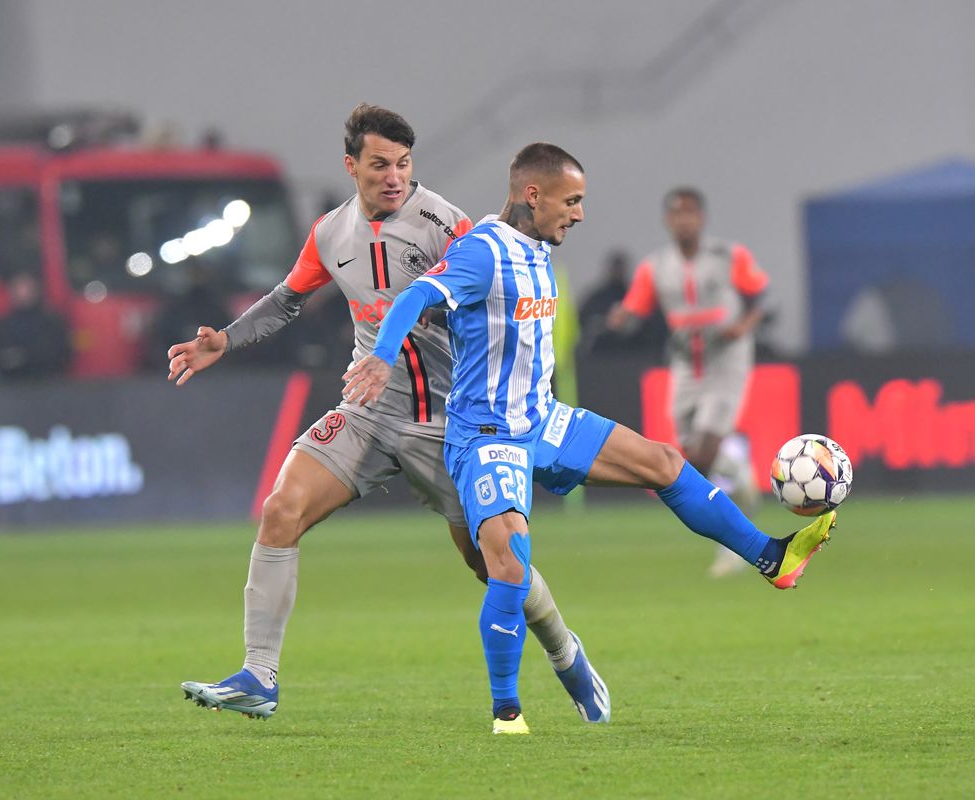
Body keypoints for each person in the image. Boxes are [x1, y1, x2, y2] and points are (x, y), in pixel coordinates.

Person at [344, 143, 837, 735]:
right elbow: (418, 295)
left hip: (544, 419)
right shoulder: (484, 250)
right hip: (487, 434)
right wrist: (380, 355)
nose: (579, 215)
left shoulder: (539, 250)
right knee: (510, 564)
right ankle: (510, 710)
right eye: (571, 201)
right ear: (534, 194)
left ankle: (770, 558)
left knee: (664, 461)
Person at [167, 105, 606, 724]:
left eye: (403, 163)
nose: (394, 176)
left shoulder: (447, 226)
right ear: (351, 166)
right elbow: (287, 300)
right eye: (380, 164)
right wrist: (226, 341)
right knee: (280, 510)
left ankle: (566, 653)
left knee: (495, 562)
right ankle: (259, 676)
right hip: (370, 412)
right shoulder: (329, 234)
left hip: (451, 422)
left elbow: (498, 296)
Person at [608, 188, 766, 577]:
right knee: (690, 456)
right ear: (667, 220)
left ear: (702, 218)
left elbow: (761, 295)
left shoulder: (729, 256)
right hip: (684, 363)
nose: (684, 220)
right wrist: (621, 317)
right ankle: (739, 472)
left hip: (726, 361)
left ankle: (733, 543)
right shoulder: (656, 266)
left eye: (691, 213)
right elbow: (635, 307)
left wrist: (743, 326)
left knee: (705, 453)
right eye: (677, 214)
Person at [0, 272, 71, 380]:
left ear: (36, 291)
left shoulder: (52, 323)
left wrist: (25, 358)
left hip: (45, 383)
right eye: (18, 288)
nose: (23, 293)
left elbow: (60, 354)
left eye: (26, 288)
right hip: (8, 385)